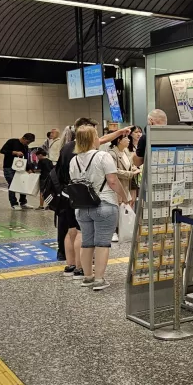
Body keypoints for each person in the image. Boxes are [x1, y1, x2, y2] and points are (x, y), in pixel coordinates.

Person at [56, 118, 131, 277]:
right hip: (103, 204)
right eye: (97, 136)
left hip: (82, 207)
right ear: (92, 139)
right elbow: (112, 181)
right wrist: (124, 196)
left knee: (86, 242)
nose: (99, 139)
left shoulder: (74, 159)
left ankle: (87, 276)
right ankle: (99, 279)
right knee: (102, 244)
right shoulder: (103, 156)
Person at [109, 133, 139, 242]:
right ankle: (113, 231)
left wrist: (134, 169)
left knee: (124, 206)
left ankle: (121, 229)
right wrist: (130, 173)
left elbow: (131, 165)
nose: (128, 140)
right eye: (125, 138)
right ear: (118, 140)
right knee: (116, 207)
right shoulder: (112, 153)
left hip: (127, 184)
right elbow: (114, 170)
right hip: (118, 184)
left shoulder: (126, 152)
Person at [0, 133, 35, 207]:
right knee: (12, 184)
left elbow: (26, 159)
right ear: (24, 138)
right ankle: (14, 203)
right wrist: (14, 152)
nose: (27, 144)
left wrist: (28, 169)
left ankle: (23, 202)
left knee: (23, 183)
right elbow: (2, 150)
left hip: (20, 168)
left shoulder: (25, 147)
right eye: (27, 142)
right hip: (9, 167)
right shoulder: (12, 141)